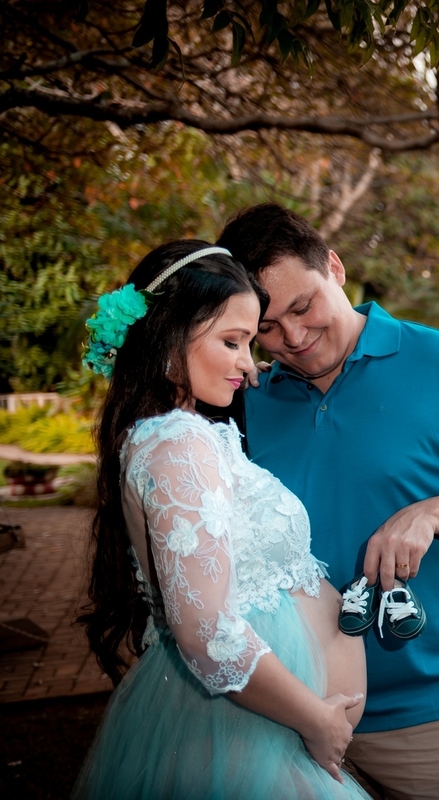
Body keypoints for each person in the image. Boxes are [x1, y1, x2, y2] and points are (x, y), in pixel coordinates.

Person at [217, 205, 439, 800]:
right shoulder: (249, 400)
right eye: (267, 327)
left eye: (303, 307)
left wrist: (430, 513)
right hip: (298, 709)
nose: (293, 338)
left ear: (336, 268)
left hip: (433, 710)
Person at [74, 241, 372, 799]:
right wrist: (317, 719)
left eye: (249, 342)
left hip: (255, 730)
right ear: (166, 335)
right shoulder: (178, 443)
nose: (246, 362)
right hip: (253, 732)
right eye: (232, 342)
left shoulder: (175, 431)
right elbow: (207, 632)